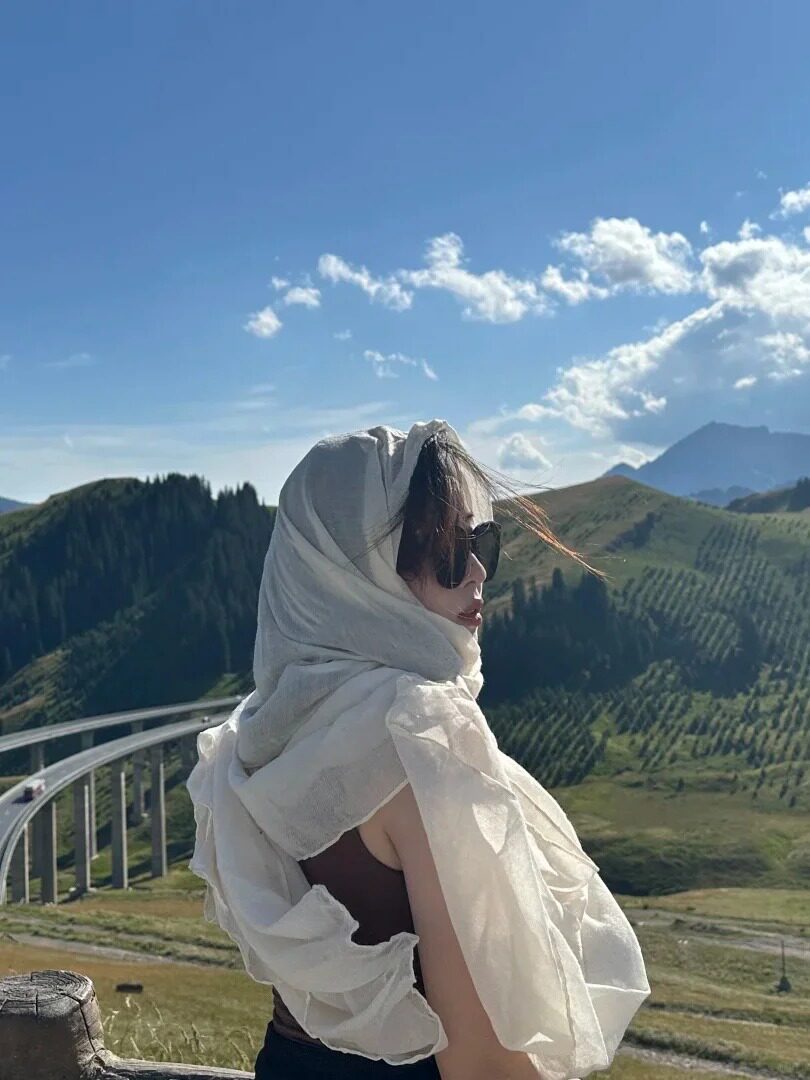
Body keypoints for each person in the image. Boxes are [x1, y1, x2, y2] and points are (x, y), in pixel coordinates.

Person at [186, 419, 651, 1080]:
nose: (477, 571)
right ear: (351, 570)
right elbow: (483, 1063)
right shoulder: (419, 736)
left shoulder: (261, 728)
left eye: (480, 541)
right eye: (445, 551)